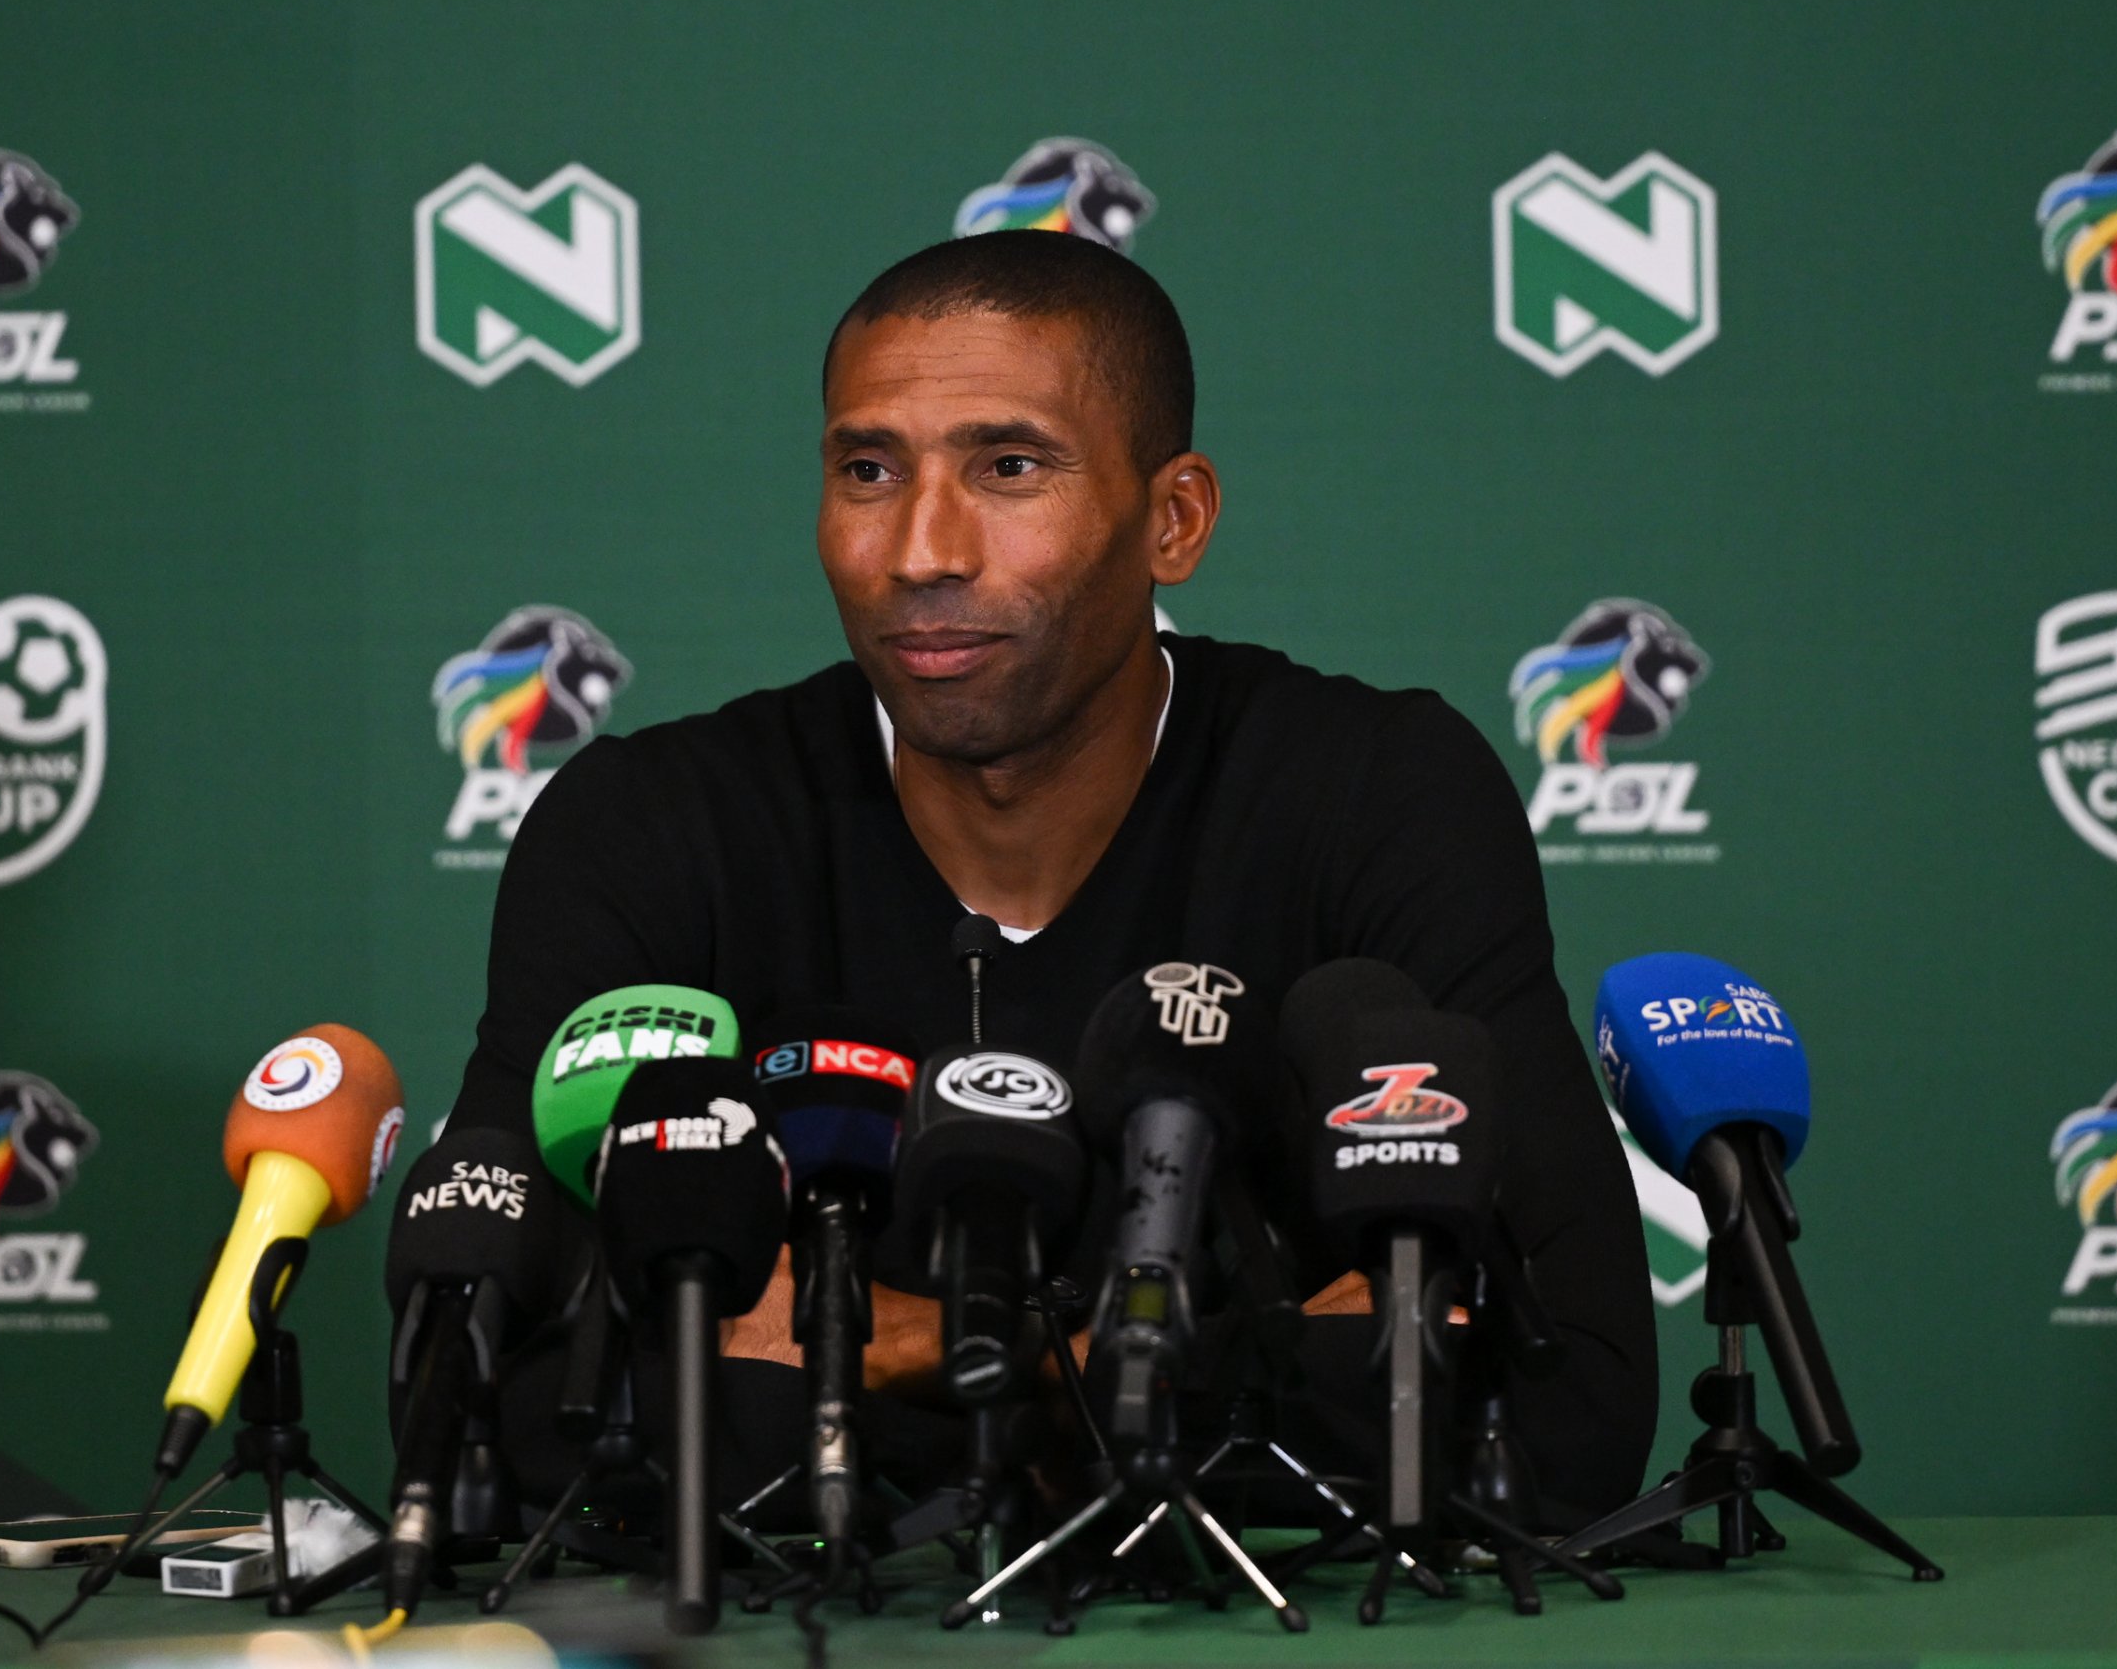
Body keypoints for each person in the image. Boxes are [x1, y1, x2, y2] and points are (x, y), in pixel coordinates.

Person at [438, 229, 1655, 1526]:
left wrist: (899, 1354)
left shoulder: (1377, 796)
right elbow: (479, 1409)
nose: (921, 550)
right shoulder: (651, 829)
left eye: (1009, 467)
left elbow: (1566, 1400)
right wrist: (1214, 1365)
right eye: (868, 470)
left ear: (1174, 519)